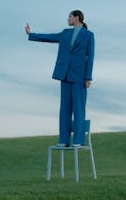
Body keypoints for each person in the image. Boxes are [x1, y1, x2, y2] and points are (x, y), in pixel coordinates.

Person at [25, 10, 94, 147]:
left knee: (78, 109)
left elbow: (90, 57)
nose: (67, 19)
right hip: (64, 74)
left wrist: (88, 77)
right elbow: (50, 37)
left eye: (69, 16)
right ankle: (63, 140)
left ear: (76, 18)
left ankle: (78, 140)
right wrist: (30, 34)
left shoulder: (89, 35)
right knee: (64, 109)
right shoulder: (65, 33)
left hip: (79, 76)